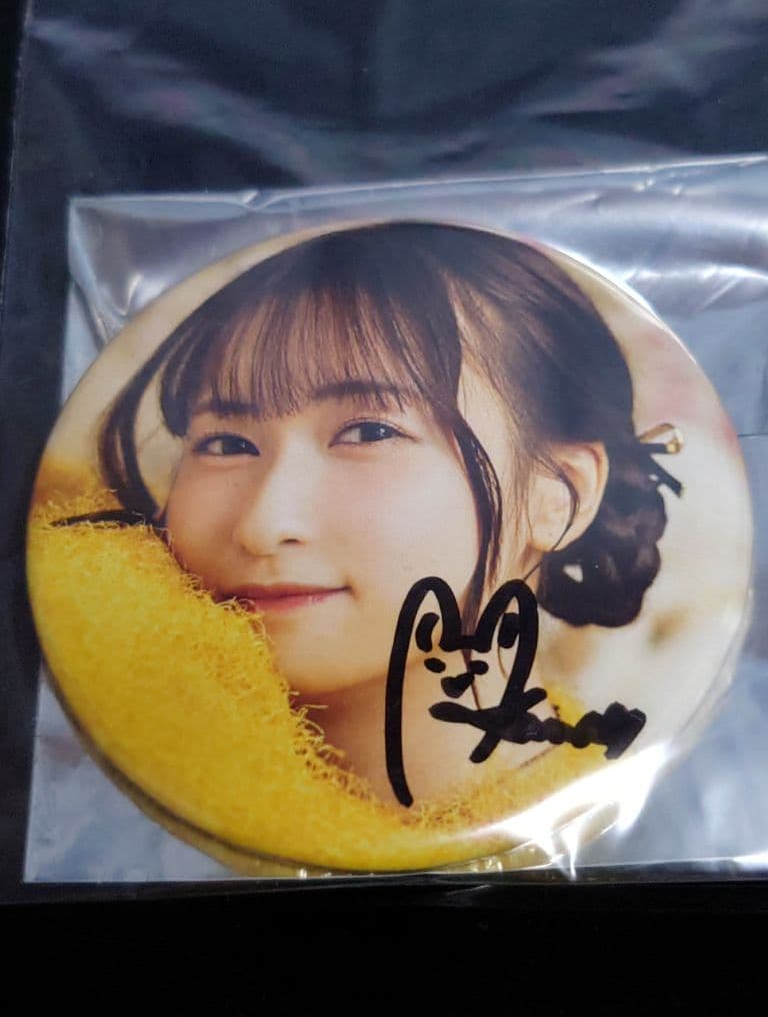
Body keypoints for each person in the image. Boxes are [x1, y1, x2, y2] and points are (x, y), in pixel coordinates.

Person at [91, 222, 679, 806]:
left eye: (370, 432)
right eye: (225, 444)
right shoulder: (116, 767)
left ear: (560, 493)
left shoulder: (645, 830)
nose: (262, 526)